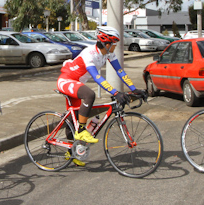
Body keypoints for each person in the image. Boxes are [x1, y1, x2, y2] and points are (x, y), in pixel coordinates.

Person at [56, 26, 145, 166]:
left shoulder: (108, 53)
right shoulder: (89, 54)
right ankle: (81, 131)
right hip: (66, 80)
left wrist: (134, 89)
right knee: (89, 95)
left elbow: (120, 71)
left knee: (73, 119)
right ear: (106, 43)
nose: (115, 47)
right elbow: (97, 77)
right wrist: (115, 93)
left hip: (78, 83)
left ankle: (72, 153)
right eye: (114, 44)